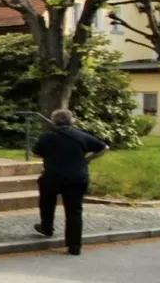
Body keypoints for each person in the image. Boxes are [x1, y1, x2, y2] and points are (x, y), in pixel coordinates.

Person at [31, 108, 108, 255]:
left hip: (53, 175)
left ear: (54, 122)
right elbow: (104, 147)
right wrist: (87, 159)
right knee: (74, 210)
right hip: (77, 177)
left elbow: (35, 153)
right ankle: (74, 246)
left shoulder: (47, 137)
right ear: (71, 121)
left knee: (47, 200)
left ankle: (47, 227)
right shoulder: (81, 136)